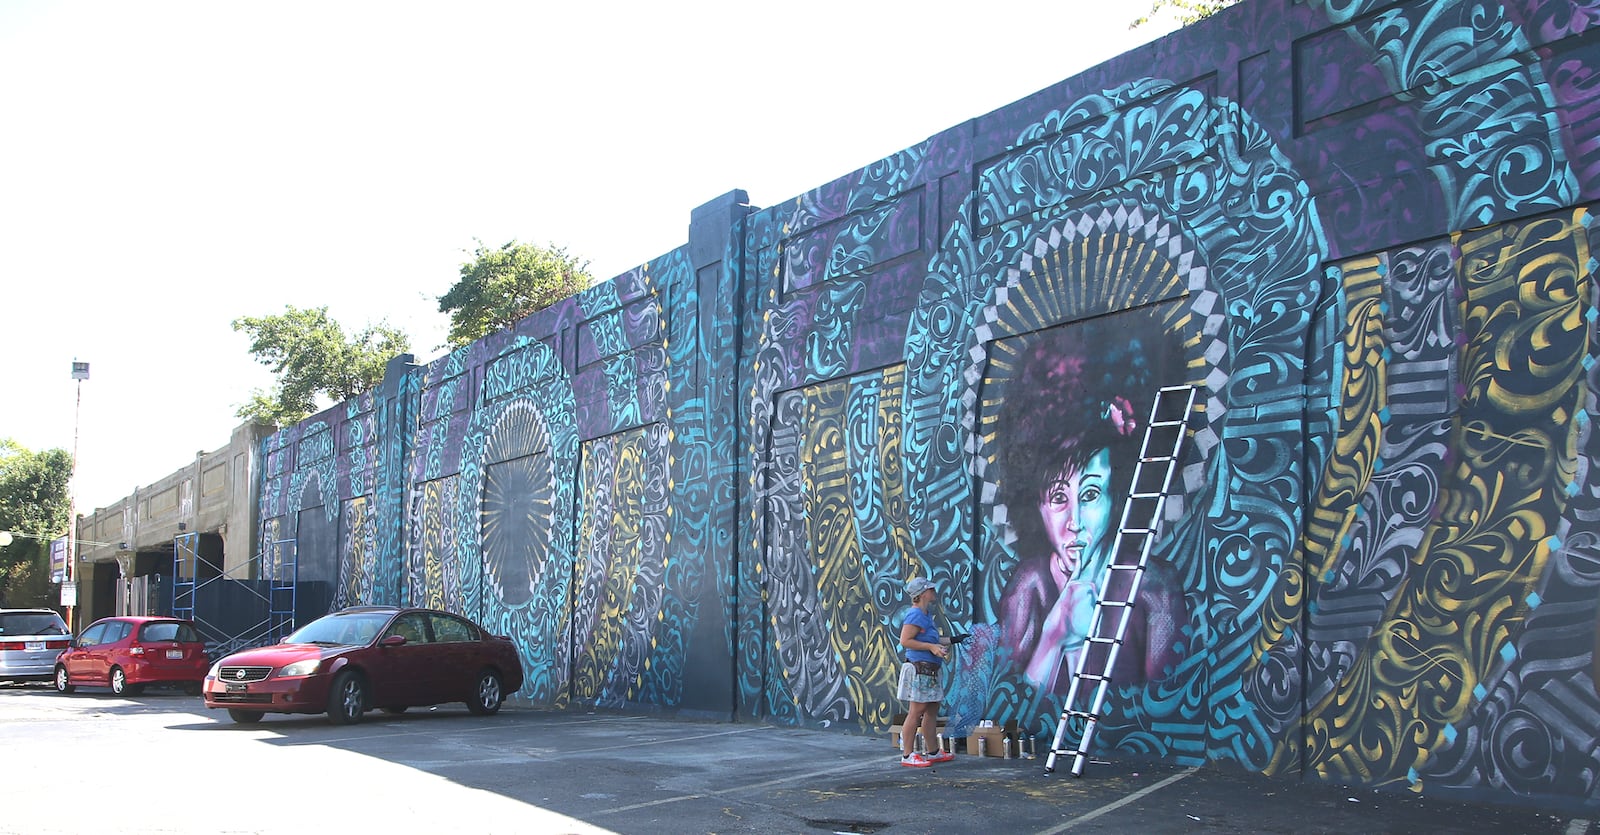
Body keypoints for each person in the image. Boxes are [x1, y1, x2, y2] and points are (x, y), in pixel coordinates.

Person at [996, 322, 1188, 695]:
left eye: (1090, 495)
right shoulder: (1030, 585)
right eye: (1058, 498)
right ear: (1037, 506)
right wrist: (1057, 631)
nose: (1075, 523)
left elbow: (1168, 699)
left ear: (1115, 496)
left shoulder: (1152, 587)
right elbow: (1012, 698)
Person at [898, 576, 955, 767]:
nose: (933, 592)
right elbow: (905, 641)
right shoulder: (915, 615)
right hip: (919, 669)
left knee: (931, 710)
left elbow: (933, 640)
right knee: (916, 711)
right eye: (930, 589)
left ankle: (933, 752)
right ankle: (907, 755)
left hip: (930, 669)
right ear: (922, 594)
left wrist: (953, 640)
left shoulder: (926, 614)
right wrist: (931, 648)